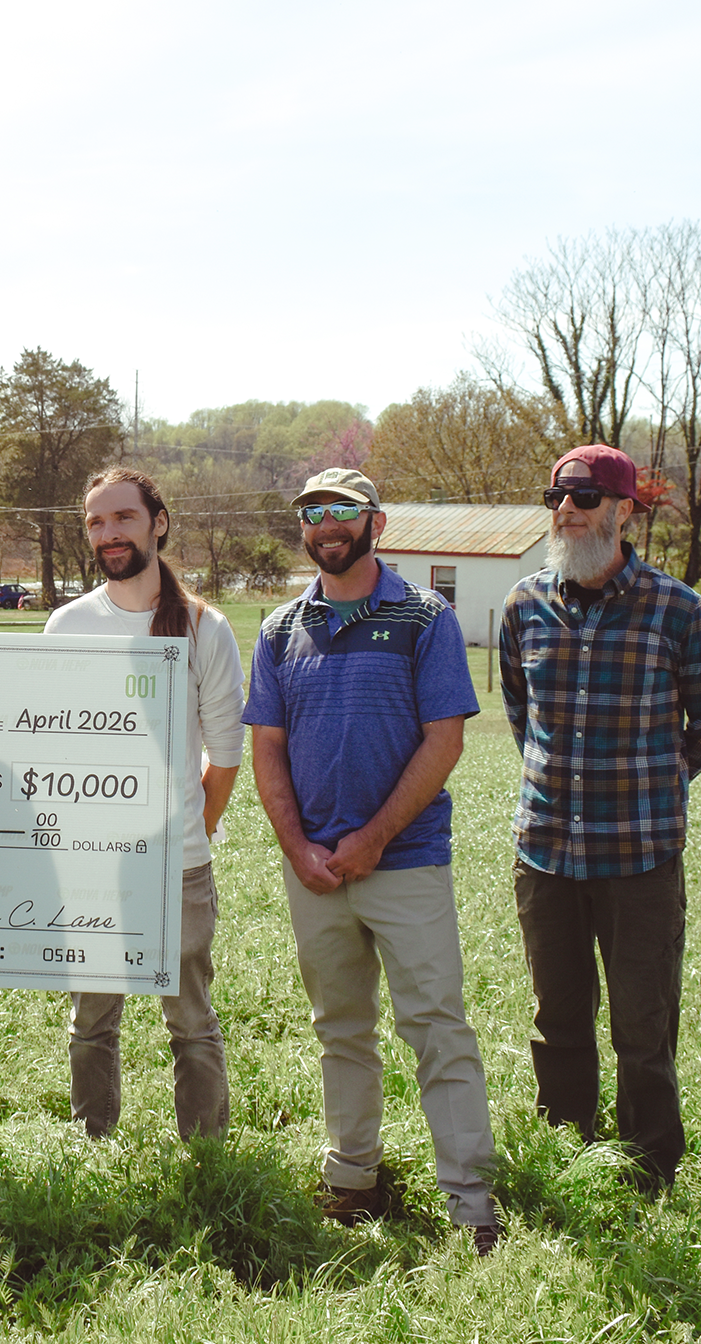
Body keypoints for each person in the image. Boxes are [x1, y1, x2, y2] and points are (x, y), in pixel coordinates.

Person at [243, 467, 501, 1253]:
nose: (326, 524)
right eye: (313, 512)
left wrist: (375, 838)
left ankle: (469, 1204)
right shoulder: (282, 628)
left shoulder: (424, 617)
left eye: (343, 512)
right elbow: (269, 748)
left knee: (436, 1027)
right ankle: (352, 1177)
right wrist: (298, 849)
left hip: (405, 862)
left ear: (375, 522)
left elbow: (444, 739)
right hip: (315, 872)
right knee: (340, 1030)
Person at [498, 444, 701, 1192]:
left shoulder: (678, 608)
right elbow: (519, 712)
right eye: (557, 495)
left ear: (625, 510)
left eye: (587, 495)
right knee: (555, 1019)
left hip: (640, 859)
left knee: (644, 1024)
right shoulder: (523, 604)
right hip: (545, 856)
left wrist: (651, 785)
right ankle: (568, 1155)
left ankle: (648, 1170)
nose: (567, 508)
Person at [43, 467, 244, 1139]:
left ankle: (208, 1156)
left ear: (158, 522)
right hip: (92, 868)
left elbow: (225, 758)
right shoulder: (66, 627)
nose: (109, 533)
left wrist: (191, 832)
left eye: (123, 517)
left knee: (190, 1021)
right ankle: (92, 1144)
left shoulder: (204, 629)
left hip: (177, 865)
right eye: (96, 521)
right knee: (90, 1022)